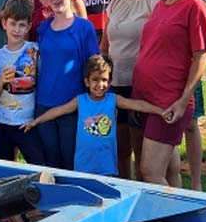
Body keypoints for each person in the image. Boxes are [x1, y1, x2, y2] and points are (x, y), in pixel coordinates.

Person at [132, 0, 206, 186]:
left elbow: (202, 56)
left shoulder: (194, 7)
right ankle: (177, 208)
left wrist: (183, 100)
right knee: (168, 170)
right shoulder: (161, 5)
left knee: (149, 171)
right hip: (148, 100)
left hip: (169, 102)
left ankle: (180, 207)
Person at [23, 55, 168, 176]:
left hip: (106, 166)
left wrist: (160, 111)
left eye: (104, 80)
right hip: (83, 166)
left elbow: (137, 105)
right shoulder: (80, 101)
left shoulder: (113, 100)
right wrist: (35, 122)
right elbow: (58, 111)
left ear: (110, 82)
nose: (100, 84)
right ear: (86, 81)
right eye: (95, 79)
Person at [101, 0, 166, 179]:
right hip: (116, 85)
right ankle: (125, 194)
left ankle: (145, 195)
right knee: (120, 149)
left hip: (143, 87)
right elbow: (106, 43)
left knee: (142, 153)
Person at [154, 0, 206, 191]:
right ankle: (174, 179)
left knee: (190, 124)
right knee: (170, 129)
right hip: (163, 79)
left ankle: (196, 183)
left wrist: (186, 93)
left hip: (184, 73)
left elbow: (201, 48)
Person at [35, 0, 101, 170]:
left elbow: (95, 68)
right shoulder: (43, 29)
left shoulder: (84, 28)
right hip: (44, 105)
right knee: (50, 164)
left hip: (72, 107)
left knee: (71, 164)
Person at [0, 0, 46, 166]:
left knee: (39, 166)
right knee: (4, 169)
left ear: (28, 26)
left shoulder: (34, 50)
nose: (17, 30)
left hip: (27, 122)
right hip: (2, 121)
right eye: (13, 24)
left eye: (22, 25)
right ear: (4, 23)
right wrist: (1, 82)